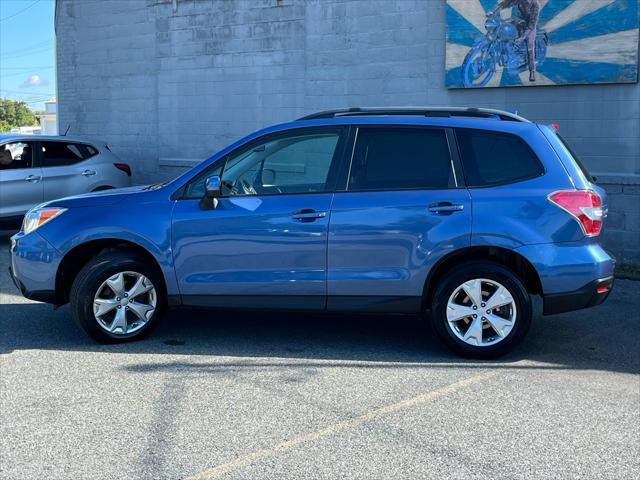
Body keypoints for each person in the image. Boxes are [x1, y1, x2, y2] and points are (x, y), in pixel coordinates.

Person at [489, 0, 540, 82]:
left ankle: (532, 71)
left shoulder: (535, 4)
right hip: (518, 22)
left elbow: (532, 24)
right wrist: (493, 10)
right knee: (505, 30)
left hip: (529, 28)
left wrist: (522, 37)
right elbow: (507, 3)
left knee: (530, 48)